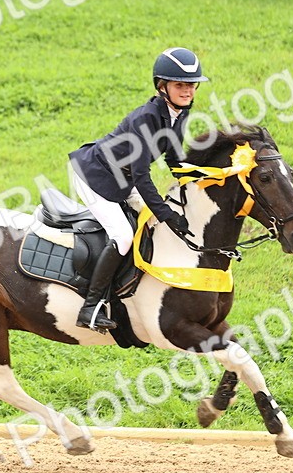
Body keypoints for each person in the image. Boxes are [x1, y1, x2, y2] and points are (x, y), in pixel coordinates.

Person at [67, 47, 209, 331]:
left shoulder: (178, 113)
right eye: (180, 85)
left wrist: (205, 177)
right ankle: (90, 308)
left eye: (192, 85)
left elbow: (174, 159)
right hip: (94, 176)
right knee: (122, 235)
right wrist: (167, 213)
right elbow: (142, 176)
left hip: (123, 177)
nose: (188, 91)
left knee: (150, 223)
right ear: (162, 86)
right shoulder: (147, 118)